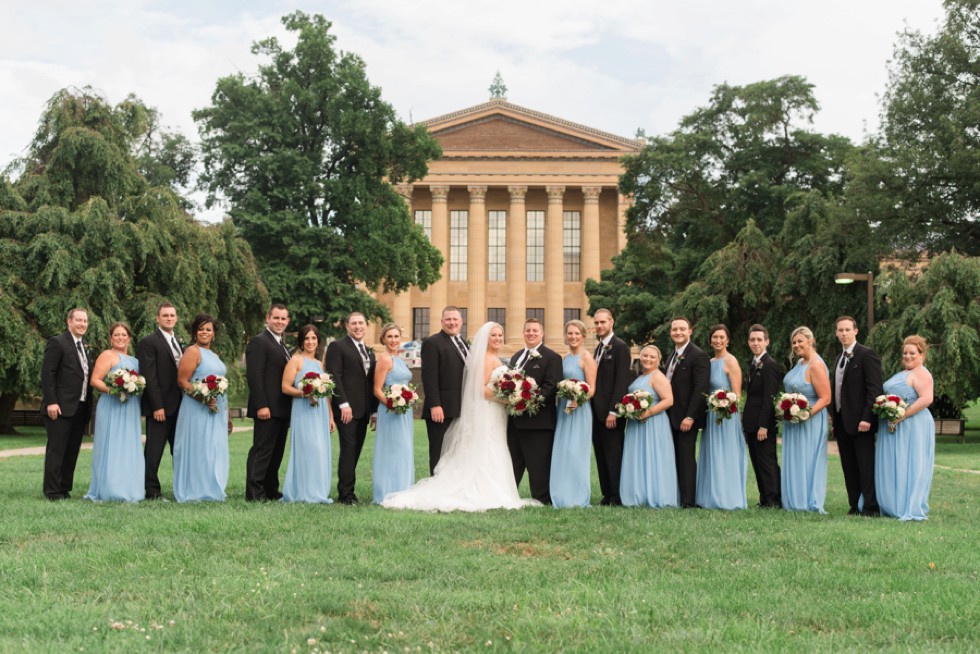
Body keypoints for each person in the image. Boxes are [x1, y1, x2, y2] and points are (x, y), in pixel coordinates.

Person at [382, 322, 531, 511]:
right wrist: (507, 399)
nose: (498, 339)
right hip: (488, 409)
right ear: (485, 338)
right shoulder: (486, 359)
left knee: (495, 446)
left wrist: (510, 396)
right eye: (493, 335)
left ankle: (497, 489)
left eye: (500, 335)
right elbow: (479, 388)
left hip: (495, 412)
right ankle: (484, 491)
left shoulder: (495, 357)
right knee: (486, 447)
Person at [172, 315, 232, 502]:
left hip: (217, 409)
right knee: (200, 448)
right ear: (195, 332)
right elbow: (182, 381)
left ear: (214, 333)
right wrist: (203, 398)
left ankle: (213, 487)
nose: (204, 332)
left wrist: (227, 415)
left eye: (208, 329)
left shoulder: (214, 355)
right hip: (196, 408)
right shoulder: (192, 352)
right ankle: (196, 489)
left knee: (214, 448)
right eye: (201, 329)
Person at [875, 335, 935, 520]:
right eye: (905, 353)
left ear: (921, 355)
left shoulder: (922, 373)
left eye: (912, 353)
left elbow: (926, 399)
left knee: (910, 462)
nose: (908, 356)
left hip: (914, 424)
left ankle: (907, 504)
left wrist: (902, 415)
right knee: (894, 461)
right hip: (894, 423)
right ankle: (892, 502)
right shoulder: (903, 373)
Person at [84, 322, 145, 502]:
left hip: (130, 407)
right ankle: (110, 489)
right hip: (112, 405)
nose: (120, 338)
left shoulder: (135, 361)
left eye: (123, 335)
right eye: (116, 335)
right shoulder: (107, 355)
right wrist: (113, 390)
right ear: (111, 338)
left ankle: (130, 488)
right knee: (112, 445)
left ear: (129, 338)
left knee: (129, 446)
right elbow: (95, 380)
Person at [831, 316, 884, 516]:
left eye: (847, 329)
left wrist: (867, 418)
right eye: (840, 330)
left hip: (862, 423)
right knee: (849, 467)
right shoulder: (839, 358)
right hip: (842, 422)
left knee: (865, 466)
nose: (844, 333)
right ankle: (855, 505)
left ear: (856, 331)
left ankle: (870, 507)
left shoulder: (867, 355)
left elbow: (875, 389)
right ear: (836, 333)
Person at [507, 318, 563, 504]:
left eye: (535, 331)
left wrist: (529, 402)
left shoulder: (552, 357)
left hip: (539, 421)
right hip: (515, 421)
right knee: (513, 462)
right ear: (523, 333)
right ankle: (508, 495)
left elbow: (551, 385)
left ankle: (541, 498)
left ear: (542, 333)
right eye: (528, 330)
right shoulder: (515, 357)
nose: (531, 333)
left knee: (538, 464)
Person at [325, 311, 377, 504]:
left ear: (366, 326)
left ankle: (348, 490)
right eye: (353, 323)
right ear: (347, 326)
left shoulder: (369, 352)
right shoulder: (337, 347)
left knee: (355, 451)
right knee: (348, 450)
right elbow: (334, 376)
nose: (357, 327)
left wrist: (373, 411)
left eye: (361, 323)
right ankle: (346, 495)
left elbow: (370, 383)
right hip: (346, 410)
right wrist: (343, 404)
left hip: (363, 411)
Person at [41, 308, 93, 500]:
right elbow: (48, 374)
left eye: (85, 321)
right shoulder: (58, 342)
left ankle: (64, 488)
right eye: (78, 320)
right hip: (60, 407)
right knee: (57, 450)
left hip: (80, 407)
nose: (82, 324)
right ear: (69, 322)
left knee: (72, 450)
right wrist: (52, 402)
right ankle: (52, 491)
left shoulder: (84, 346)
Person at [280, 324, 335, 504]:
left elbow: (326, 393)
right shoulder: (296, 360)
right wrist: (305, 393)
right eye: (307, 338)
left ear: (318, 341)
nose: (310, 342)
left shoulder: (320, 364)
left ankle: (318, 491)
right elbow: (285, 387)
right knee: (309, 449)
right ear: (301, 342)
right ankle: (303, 492)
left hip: (320, 413)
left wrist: (331, 416)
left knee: (320, 451)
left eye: (313, 338)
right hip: (303, 411)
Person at [695, 324, 747, 510]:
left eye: (721, 337)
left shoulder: (731, 361)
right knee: (711, 454)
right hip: (711, 416)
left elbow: (737, 394)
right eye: (714, 337)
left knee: (725, 454)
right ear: (710, 340)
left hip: (726, 417)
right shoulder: (709, 362)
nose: (717, 340)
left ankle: (727, 498)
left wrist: (725, 405)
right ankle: (709, 496)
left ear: (728, 340)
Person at [781, 326, 831, 514]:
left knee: (807, 459)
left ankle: (807, 500)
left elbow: (826, 397)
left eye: (800, 341)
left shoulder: (816, 365)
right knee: (795, 458)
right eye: (794, 342)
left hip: (810, 420)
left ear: (811, 341)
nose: (796, 345)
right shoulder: (800, 363)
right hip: (793, 419)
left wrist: (805, 414)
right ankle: (794, 499)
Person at [245, 304, 292, 501]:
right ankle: (254, 492)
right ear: (268, 318)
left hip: (282, 408)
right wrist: (262, 405)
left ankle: (271, 489)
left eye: (283, 319)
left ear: (287, 321)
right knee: (262, 450)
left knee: (276, 452)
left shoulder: (281, 345)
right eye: (276, 318)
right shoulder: (259, 342)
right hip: (267, 408)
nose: (280, 322)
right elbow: (255, 376)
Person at [620, 345, 677, 508]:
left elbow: (668, 400)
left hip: (653, 423)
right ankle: (638, 493)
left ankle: (656, 494)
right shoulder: (639, 377)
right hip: (636, 424)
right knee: (638, 456)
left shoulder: (658, 376)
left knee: (653, 456)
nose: (647, 359)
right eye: (645, 356)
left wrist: (648, 413)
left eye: (652, 357)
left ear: (658, 360)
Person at [137, 302, 183, 500]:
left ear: (176, 318)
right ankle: (152, 491)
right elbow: (149, 376)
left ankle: (182, 487)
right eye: (165, 315)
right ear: (157, 318)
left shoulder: (179, 342)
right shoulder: (149, 342)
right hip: (161, 407)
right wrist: (157, 406)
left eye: (172, 315)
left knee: (179, 450)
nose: (169, 318)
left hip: (181, 406)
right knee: (154, 452)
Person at [664, 317, 711, 508]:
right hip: (669, 416)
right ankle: (676, 495)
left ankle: (688, 500)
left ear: (690, 331)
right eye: (675, 329)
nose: (678, 332)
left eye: (682, 329)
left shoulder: (698, 355)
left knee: (686, 459)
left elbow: (701, 388)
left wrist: (690, 416)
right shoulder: (671, 356)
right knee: (674, 456)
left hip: (685, 418)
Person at [551, 319, 597, 508]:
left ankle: (577, 496)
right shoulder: (565, 358)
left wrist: (576, 400)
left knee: (576, 452)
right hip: (563, 409)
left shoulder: (586, 358)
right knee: (563, 451)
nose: (573, 337)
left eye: (577, 333)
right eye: (570, 333)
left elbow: (592, 389)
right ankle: (562, 494)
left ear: (583, 336)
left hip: (579, 410)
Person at [589, 308, 632, 506]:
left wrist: (614, 410)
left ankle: (617, 495)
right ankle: (607, 493)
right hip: (596, 411)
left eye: (602, 322)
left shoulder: (620, 347)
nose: (599, 326)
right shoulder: (598, 348)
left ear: (611, 322)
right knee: (601, 453)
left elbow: (621, 381)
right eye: (596, 323)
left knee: (614, 454)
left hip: (610, 413)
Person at [372, 323, 415, 503]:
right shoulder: (384, 359)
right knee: (392, 450)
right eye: (389, 336)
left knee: (404, 449)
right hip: (391, 412)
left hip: (404, 412)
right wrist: (393, 404)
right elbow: (377, 389)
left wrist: (407, 398)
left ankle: (403, 489)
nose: (393, 340)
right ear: (383, 339)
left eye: (396, 336)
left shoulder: (399, 359)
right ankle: (387, 491)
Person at [420, 306, 467, 474]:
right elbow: (429, 377)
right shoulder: (432, 342)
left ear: (461, 322)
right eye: (448, 319)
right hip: (440, 409)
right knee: (439, 453)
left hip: (460, 408)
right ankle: (435, 489)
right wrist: (435, 405)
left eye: (455, 319)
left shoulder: (463, 342)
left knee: (455, 453)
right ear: (441, 322)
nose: (452, 323)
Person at [742, 324, 783, 508]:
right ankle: (764, 498)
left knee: (767, 462)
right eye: (752, 340)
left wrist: (764, 425)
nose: (756, 343)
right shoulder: (753, 364)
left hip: (762, 425)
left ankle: (774, 499)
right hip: (751, 423)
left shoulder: (770, 365)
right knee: (757, 463)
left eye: (759, 339)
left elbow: (769, 399)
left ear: (767, 341)